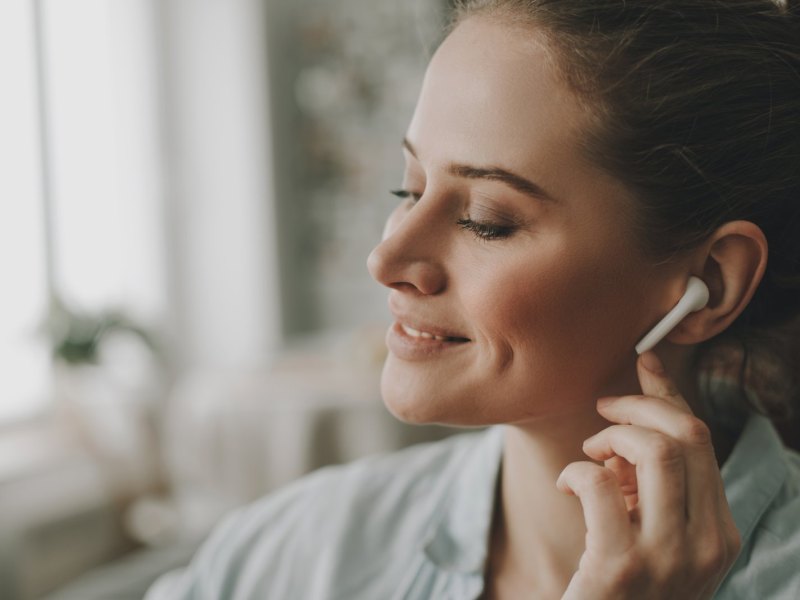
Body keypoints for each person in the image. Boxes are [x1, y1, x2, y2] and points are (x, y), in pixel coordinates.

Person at [145, 1, 800, 598]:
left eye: (486, 219)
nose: (387, 260)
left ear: (710, 284)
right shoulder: (305, 553)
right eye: (408, 190)